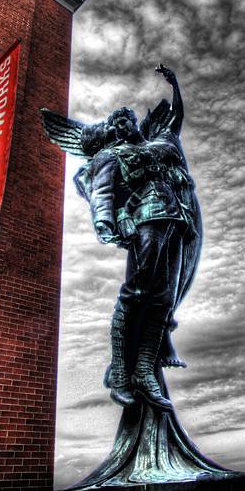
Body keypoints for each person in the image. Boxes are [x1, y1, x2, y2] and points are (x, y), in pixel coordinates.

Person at [70, 65, 201, 410]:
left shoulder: (157, 144)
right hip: (145, 219)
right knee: (136, 291)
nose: (124, 126)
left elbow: (176, 119)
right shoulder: (111, 155)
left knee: (162, 298)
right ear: (114, 130)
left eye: (127, 120)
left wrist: (174, 86)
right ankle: (121, 371)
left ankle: (145, 372)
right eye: (118, 123)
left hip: (174, 221)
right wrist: (105, 224)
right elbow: (100, 191)